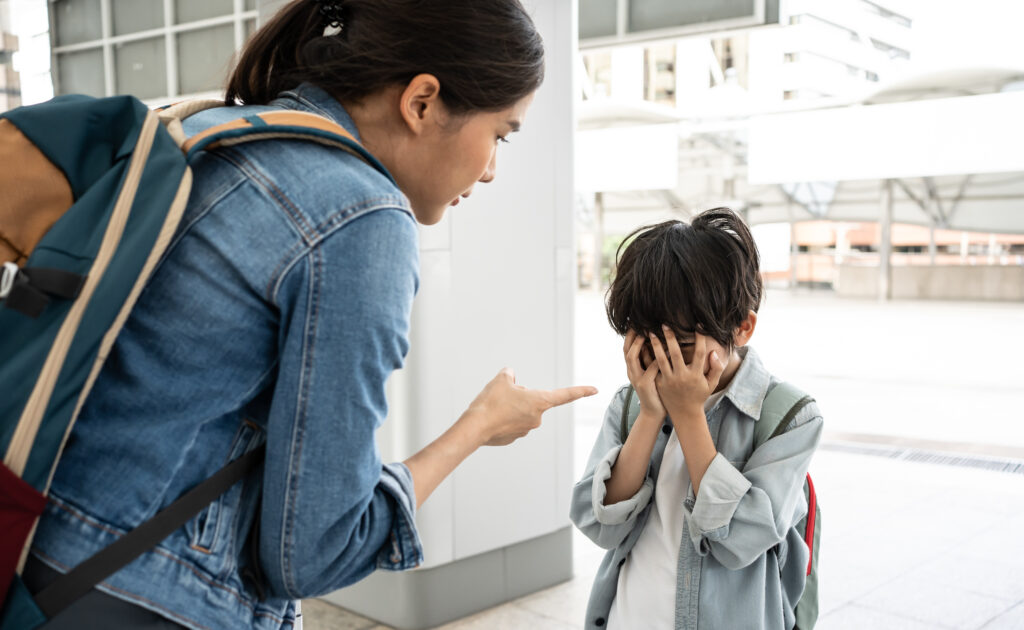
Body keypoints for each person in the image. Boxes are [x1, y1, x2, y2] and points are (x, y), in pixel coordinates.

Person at [23, 1, 596, 628]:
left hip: (44, 553)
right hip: (148, 600)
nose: (490, 171)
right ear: (423, 102)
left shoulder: (216, 133)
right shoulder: (362, 216)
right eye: (500, 135)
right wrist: (477, 428)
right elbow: (315, 551)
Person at [569, 208, 823, 630]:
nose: (664, 364)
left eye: (681, 346)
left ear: (742, 328)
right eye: (648, 344)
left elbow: (742, 539)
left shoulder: (790, 417)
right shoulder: (630, 404)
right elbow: (600, 526)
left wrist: (688, 416)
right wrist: (651, 414)